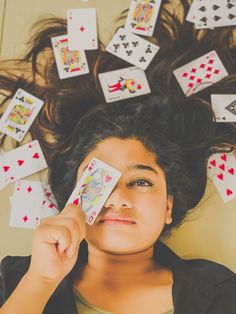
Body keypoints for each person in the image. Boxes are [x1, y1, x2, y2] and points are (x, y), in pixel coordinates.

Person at [0, 1, 236, 313]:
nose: (118, 197)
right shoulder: (13, 281)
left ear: (168, 205)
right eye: (99, 178)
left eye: (140, 181)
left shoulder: (225, 292)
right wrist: (41, 281)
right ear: (73, 198)